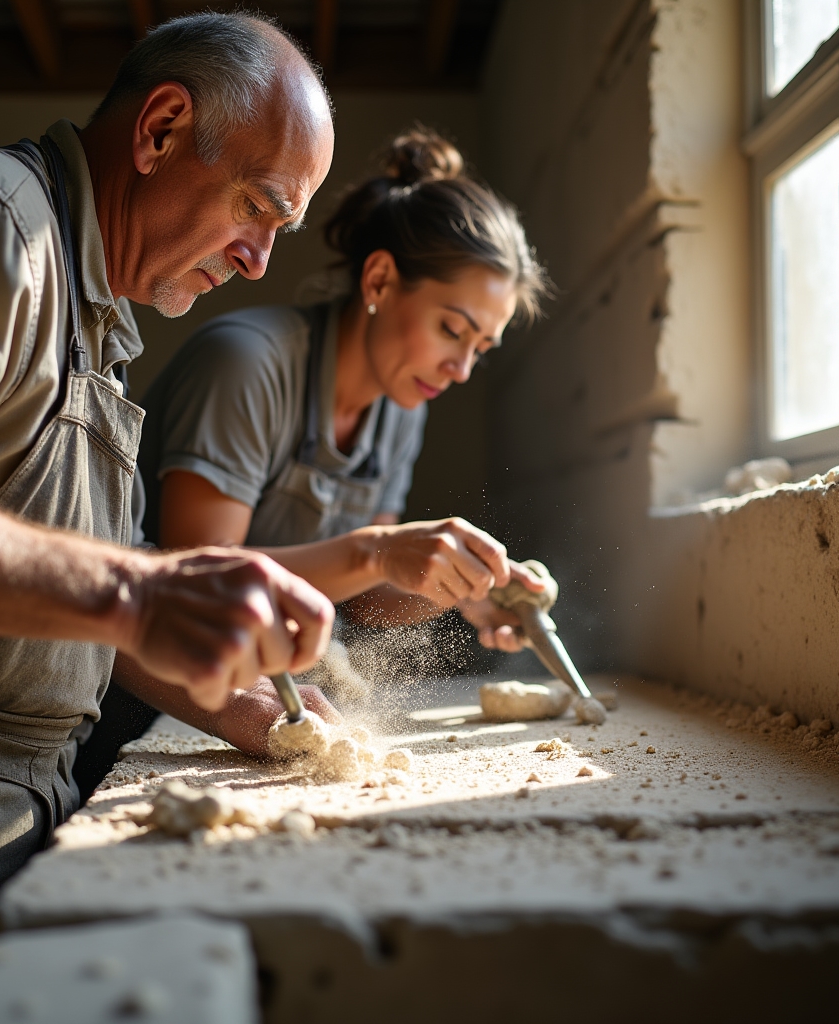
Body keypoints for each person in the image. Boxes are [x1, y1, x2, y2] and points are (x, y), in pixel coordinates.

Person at [0, 12, 336, 1018]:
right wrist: (137, 590)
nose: (260, 261)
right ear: (162, 129)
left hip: (13, 814)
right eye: (259, 208)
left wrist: (235, 704)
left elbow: (81, 601)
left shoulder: (102, 318)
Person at [90, 128, 551, 758]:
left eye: (480, 349)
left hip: (262, 688)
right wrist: (377, 549)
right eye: (452, 330)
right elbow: (201, 583)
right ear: (382, 281)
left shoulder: (403, 405)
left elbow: (366, 601)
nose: (461, 369)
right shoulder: (246, 363)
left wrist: (462, 584)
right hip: (146, 706)